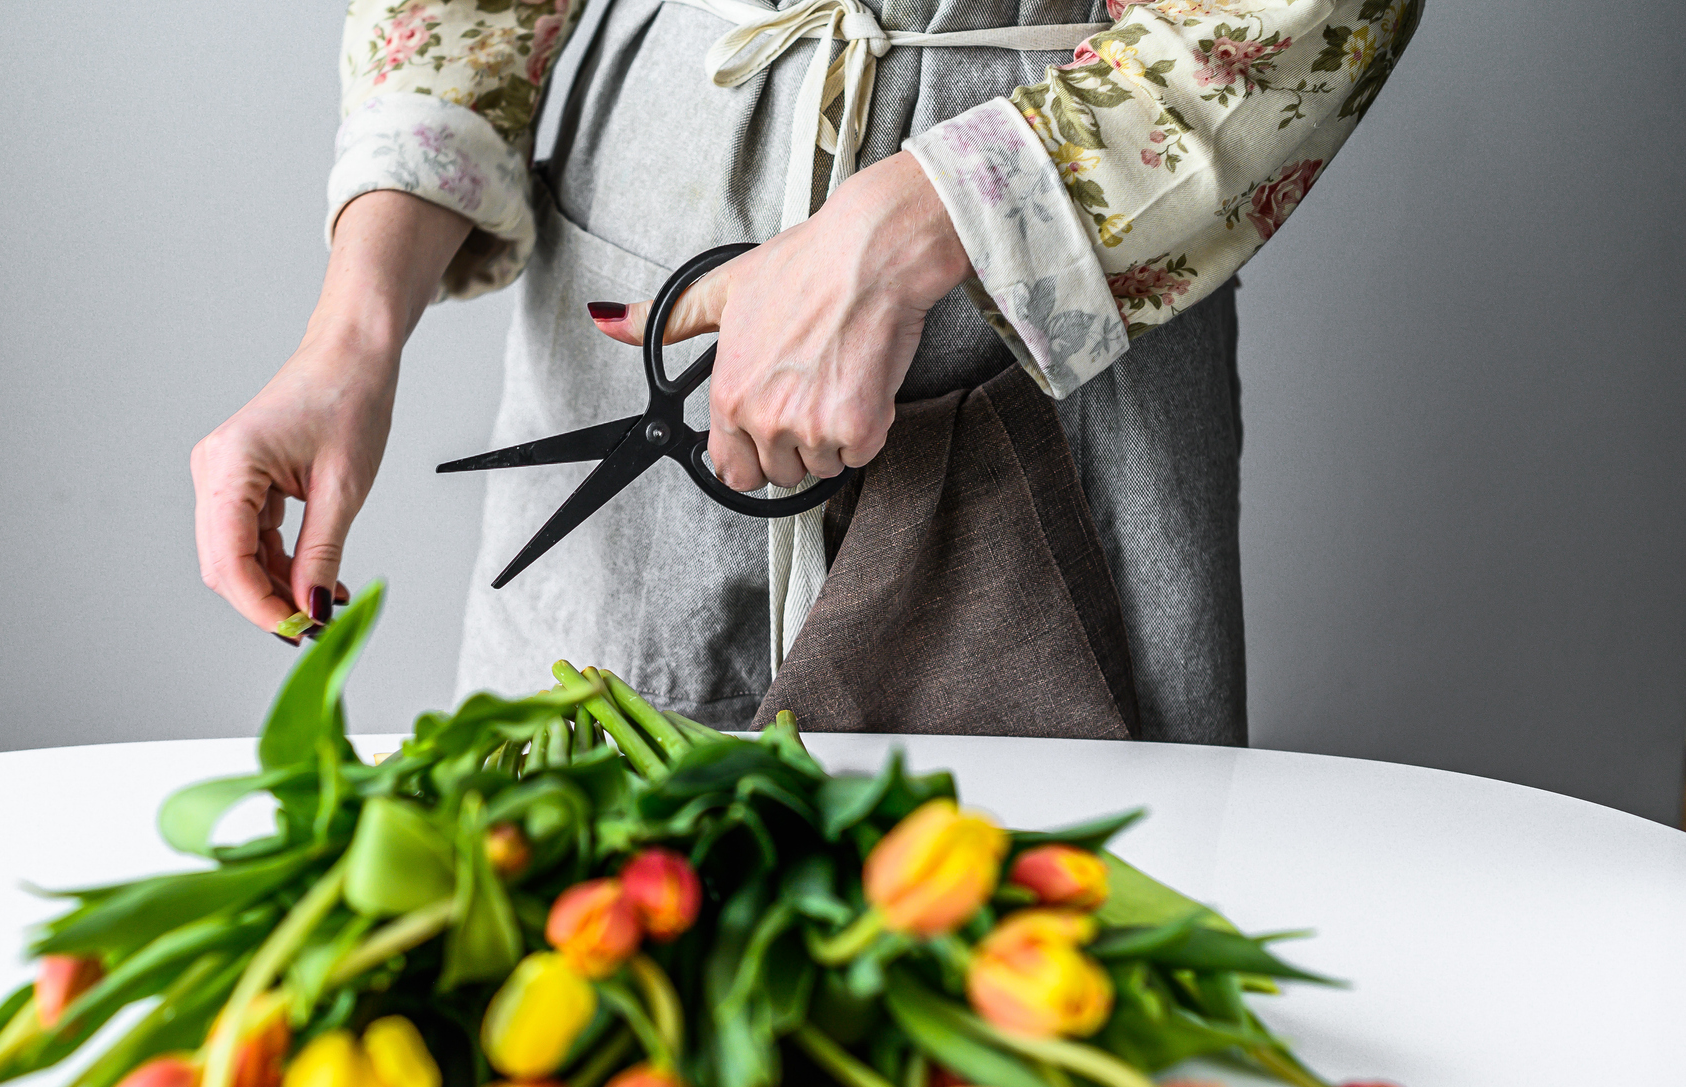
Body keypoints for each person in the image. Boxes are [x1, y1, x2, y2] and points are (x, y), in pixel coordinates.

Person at [191, 0, 1420, 739]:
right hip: (648, 231)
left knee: (1039, 1015)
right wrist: (349, 338)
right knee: (570, 964)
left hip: (1048, 284)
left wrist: (917, 232)